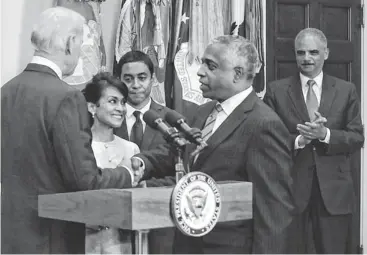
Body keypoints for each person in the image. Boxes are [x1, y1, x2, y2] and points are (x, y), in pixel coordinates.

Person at [133, 35, 295, 254]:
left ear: (237, 74)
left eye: (211, 66)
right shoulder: (203, 112)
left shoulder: (264, 124)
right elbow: (179, 154)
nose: (200, 72)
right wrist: (143, 163)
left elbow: (274, 213)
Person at [1, 7, 136, 254]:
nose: (82, 53)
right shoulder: (66, 97)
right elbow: (84, 179)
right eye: (82, 44)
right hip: (53, 238)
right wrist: (128, 174)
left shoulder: (5, 92)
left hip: (10, 237)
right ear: (69, 43)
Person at [263, 28, 364, 254]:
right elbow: (267, 141)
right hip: (290, 189)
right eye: (301, 53)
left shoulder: (346, 90)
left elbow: (357, 137)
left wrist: (325, 135)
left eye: (313, 52)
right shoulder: (276, 90)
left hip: (334, 193)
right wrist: (299, 140)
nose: (307, 58)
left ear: (326, 54)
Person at [114, 50, 176, 254]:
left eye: (142, 78)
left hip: (159, 222)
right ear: (119, 80)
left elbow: (177, 170)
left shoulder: (171, 119)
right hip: (115, 221)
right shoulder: (107, 118)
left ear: (152, 78)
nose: (135, 85)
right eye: (128, 79)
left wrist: (146, 184)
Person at [82, 72, 140, 254]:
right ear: (92, 107)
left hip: (122, 243)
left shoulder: (131, 149)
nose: (121, 109)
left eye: (123, 102)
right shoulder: (80, 149)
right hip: (84, 242)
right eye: (113, 101)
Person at [56, 0, 107, 90]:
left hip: (94, 73)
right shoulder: (64, 4)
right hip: (74, 78)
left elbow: (98, 39)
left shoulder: (93, 5)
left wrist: (103, 61)